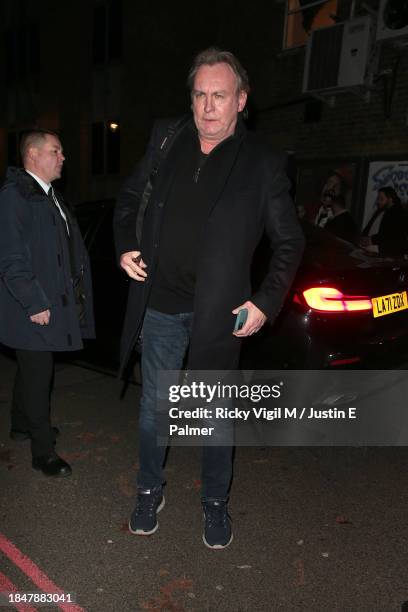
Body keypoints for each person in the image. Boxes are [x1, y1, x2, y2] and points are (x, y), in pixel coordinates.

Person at [114, 48, 304, 549]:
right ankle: (149, 490)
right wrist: (124, 246)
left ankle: (215, 502)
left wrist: (265, 300)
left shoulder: (263, 162)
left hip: (218, 317)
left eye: (220, 96)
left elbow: (290, 241)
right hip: (159, 304)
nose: (208, 106)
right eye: (200, 95)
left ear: (242, 100)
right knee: (155, 409)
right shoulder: (167, 138)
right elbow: (130, 197)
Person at [0, 129, 94, 477]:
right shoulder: (15, 196)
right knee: (40, 374)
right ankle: (44, 452)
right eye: (56, 150)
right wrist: (33, 302)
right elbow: (10, 257)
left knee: (31, 367)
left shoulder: (48, 195)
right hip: (31, 304)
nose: (63, 157)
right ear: (33, 155)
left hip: (50, 301)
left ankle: (22, 425)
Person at [360, 186, 408, 257]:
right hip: (377, 250)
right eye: (378, 199)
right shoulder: (380, 211)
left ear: (390, 199)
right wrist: (364, 238)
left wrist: (371, 240)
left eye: (381, 199)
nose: (378, 201)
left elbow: (390, 235)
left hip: (388, 254)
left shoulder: (397, 213)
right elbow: (369, 227)